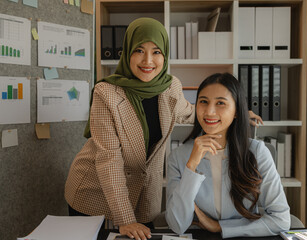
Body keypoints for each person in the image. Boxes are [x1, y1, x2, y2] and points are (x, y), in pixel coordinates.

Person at [65, 18, 262, 240]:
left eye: (156, 51)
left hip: (143, 195)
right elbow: (108, 160)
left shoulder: (170, 87)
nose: (148, 60)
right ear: (127, 51)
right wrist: (125, 219)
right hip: (96, 191)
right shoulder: (105, 93)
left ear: (165, 54)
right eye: (139, 50)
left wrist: (238, 114)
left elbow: (189, 112)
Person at [165, 73, 290, 239]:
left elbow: (281, 220)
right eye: (203, 101)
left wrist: (220, 227)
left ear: (237, 111)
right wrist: (191, 166)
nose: (209, 111)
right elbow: (177, 225)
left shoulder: (258, 152)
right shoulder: (178, 157)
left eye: (220, 103)